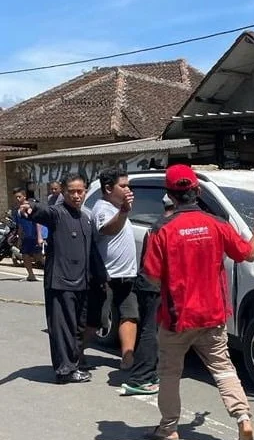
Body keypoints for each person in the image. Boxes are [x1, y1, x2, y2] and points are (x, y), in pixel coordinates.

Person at [141, 164, 254, 440]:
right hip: (213, 315)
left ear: (170, 195)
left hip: (177, 318)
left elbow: (150, 277)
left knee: (169, 373)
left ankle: (168, 427)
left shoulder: (160, 230)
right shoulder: (217, 224)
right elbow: (248, 254)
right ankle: (243, 419)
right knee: (224, 369)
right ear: (197, 191)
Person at [19, 173, 106, 384]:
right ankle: (64, 370)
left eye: (80, 191)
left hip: (82, 283)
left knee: (78, 328)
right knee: (62, 329)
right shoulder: (57, 213)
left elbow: (91, 252)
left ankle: (74, 364)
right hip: (61, 283)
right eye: (72, 192)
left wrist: (100, 277)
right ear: (64, 193)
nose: (77, 196)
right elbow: (41, 211)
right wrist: (29, 206)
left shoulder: (85, 217)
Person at [121, 195, 175, 396]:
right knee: (151, 331)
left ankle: (150, 373)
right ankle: (141, 378)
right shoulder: (168, 226)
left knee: (150, 329)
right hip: (155, 285)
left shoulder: (156, 225)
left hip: (147, 283)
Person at [90, 167, 139, 370]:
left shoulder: (119, 208)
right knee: (96, 320)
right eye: (123, 185)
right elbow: (108, 229)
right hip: (107, 275)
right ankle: (75, 355)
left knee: (130, 314)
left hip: (126, 274)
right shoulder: (102, 208)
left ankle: (127, 358)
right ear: (109, 188)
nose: (128, 189)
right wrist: (124, 211)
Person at [12, 187, 45, 281]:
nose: (17, 199)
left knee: (38, 256)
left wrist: (39, 236)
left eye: (19, 197)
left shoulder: (29, 206)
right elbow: (20, 226)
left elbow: (37, 222)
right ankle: (31, 275)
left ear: (24, 196)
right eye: (16, 197)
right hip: (26, 237)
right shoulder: (17, 210)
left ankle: (52, 272)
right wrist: (19, 239)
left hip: (34, 236)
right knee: (25, 255)